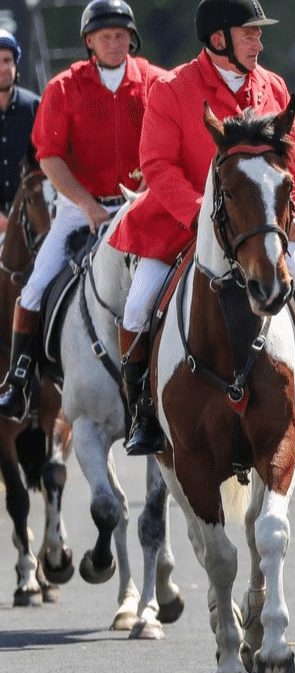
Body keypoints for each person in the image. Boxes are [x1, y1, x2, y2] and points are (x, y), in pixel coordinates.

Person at [107, 0, 295, 454]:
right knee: (138, 305)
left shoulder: (273, 87)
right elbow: (158, 165)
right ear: (219, 38)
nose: (259, 42)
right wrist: (199, 213)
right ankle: (143, 413)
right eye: (250, 34)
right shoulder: (171, 88)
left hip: (260, 227)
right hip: (180, 225)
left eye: (259, 35)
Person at [0, 0, 168, 422]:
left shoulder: (156, 83)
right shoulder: (62, 87)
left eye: (121, 35)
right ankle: (19, 379)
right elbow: (50, 158)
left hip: (141, 208)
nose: (114, 43)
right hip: (81, 209)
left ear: (132, 38)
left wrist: (145, 192)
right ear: (89, 42)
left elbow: (167, 144)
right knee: (35, 287)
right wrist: (87, 205)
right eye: (105, 37)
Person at [0, 29, 41, 227]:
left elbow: (47, 166)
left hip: (32, 219)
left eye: (7, 60)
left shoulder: (35, 107)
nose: (3, 68)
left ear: (16, 63)